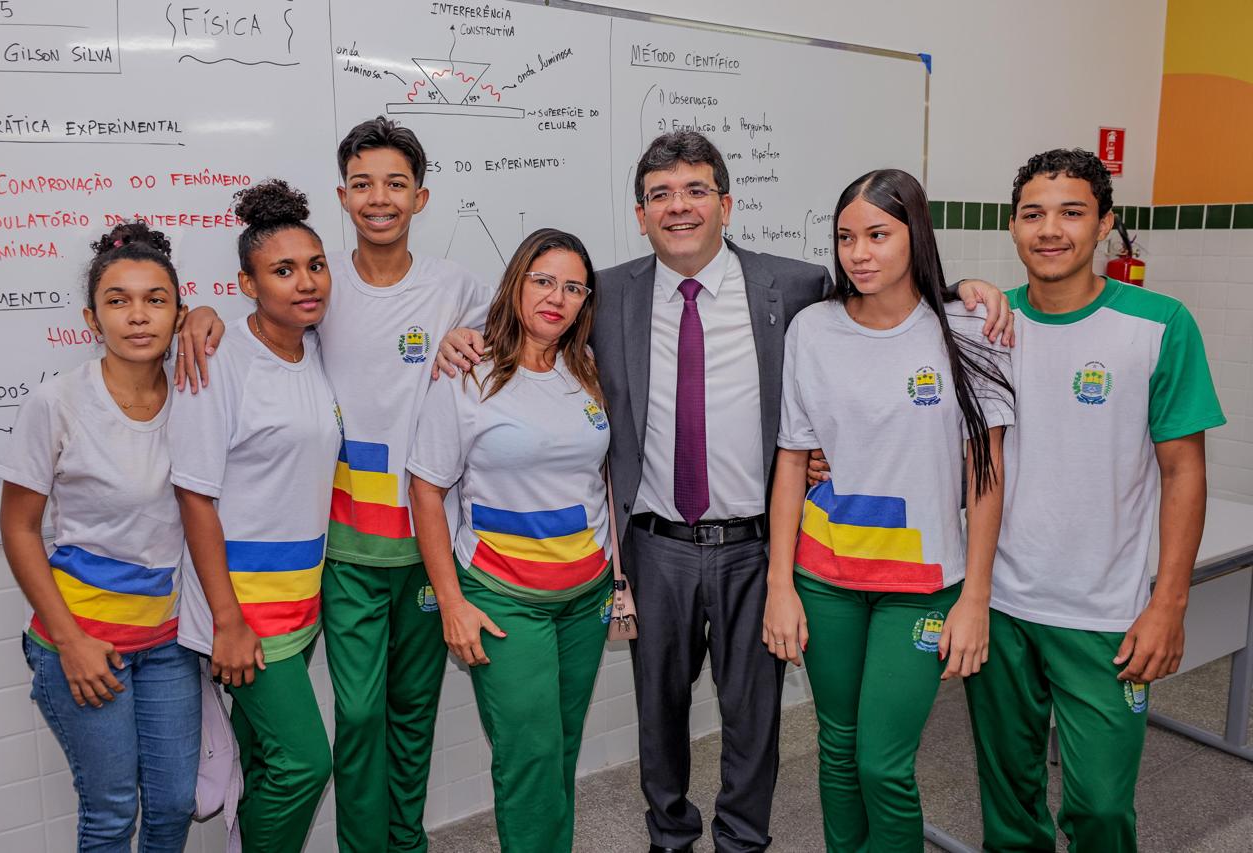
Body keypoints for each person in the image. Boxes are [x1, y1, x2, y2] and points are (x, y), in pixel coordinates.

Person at [437, 130, 1013, 853]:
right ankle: (669, 836)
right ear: (640, 214)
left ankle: (742, 839)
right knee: (660, 709)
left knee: (753, 712)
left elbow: (888, 302)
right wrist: (458, 337)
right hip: (655, 544)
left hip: (758, 542)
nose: (678, 206)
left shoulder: (795, 285)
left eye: (695, 190)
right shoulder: (607, 294)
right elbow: (530, 316)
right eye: (660, 195)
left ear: (727, 204)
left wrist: (965, 292)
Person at [175, 118, 492, 853]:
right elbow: (263, 324)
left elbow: (513, 342)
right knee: (359, 716)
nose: (379, 198)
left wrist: (469, 337)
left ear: (421, 197)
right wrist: (199, 314)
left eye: (396, 183)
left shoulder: (457, 288)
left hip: (428, 545)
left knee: (413, 714)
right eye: (362, 184)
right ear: (343, 196)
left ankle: (404, 841)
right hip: (345, 555)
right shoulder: (321, 286)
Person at [963, 149, 1225, 853]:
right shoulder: (984, 327)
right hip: (1001, 605)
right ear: (1012, 226)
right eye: (1033, 214)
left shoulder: (1159, 324)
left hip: (1106, 614)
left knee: (1102, 808)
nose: (1050, 229)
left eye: (1072, 212)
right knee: (1008, 803)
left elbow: (1183, 472)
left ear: (1105, 223)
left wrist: (1169, 603)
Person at [763, 169, 1012, 852]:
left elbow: (985, 475)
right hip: (824, 576)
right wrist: (780, 584)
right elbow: (792, 460)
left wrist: (976, 598)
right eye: (846, 237)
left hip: (922, 585)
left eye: (878, 234)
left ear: (915, 235)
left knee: (883, 762)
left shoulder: (966, 326)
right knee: (838, 749)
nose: (859, 253)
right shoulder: (814, 329)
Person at [407, 228, 613, 853]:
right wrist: (452, 603)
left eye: (573, 288)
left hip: (586, 596)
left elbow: (601, 478)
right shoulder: (467, 374)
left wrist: (618, 579)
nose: (557, 298)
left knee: (561, 748)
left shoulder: (587, 368)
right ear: (516, 284)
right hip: (504, 599)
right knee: (529, 755)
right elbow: (425, 490)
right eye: (543, 281)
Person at [0, 223, 198, 851]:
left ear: (178, 314)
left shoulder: (197, 395)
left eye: (155, 300)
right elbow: (18, 527)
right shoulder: (57, 402)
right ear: (92, 318)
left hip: (168, 641)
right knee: (111, 814)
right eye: (118, 301)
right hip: (84, 639)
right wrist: (70, 641)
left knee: (174, 804)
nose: (138, 316)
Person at [169, 179, 339, 853]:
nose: (307, 282)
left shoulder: (316, 348)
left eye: (315, 265)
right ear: (248, 283)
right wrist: (228, 620)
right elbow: (194, 496)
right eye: (283, 270)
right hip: (242, 608)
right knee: (305, 763)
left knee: (264, 760)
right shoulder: (218, 359)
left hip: (299, 600)